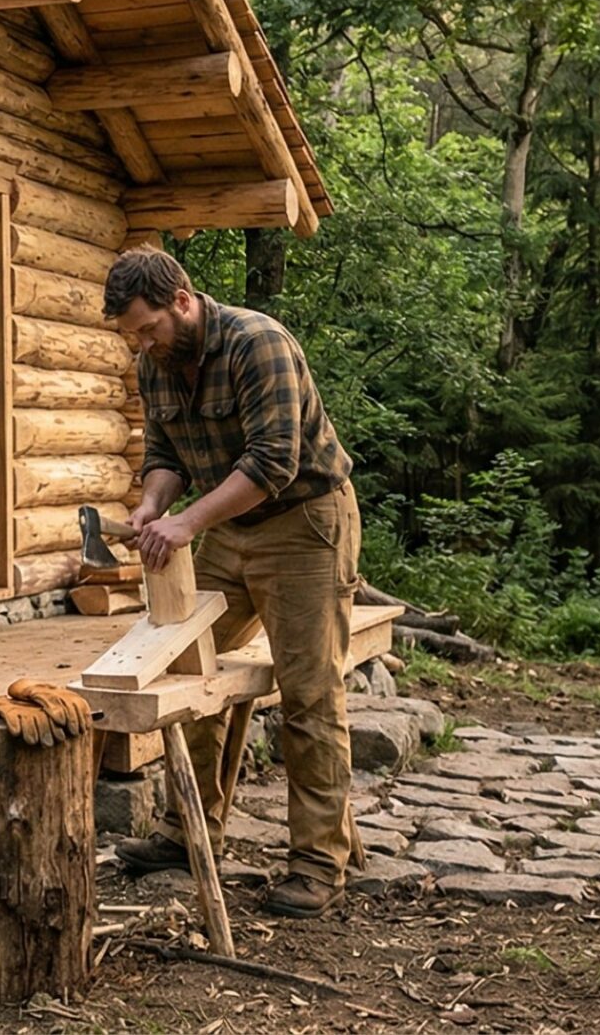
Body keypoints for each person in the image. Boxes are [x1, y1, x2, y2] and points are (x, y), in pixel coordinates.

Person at [101, 247, 362, 919]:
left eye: (148, 328)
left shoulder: (257, 344)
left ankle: (316, 864)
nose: (142, 344)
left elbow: (274, 462)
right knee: (188, 668)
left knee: (309, 693)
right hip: (229, 526)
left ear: (182, 301)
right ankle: (189, 832)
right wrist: (154, 505)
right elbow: (163, 455)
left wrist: (187, 524)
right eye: (131, 334)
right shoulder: (153, 363)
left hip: (305, 522)